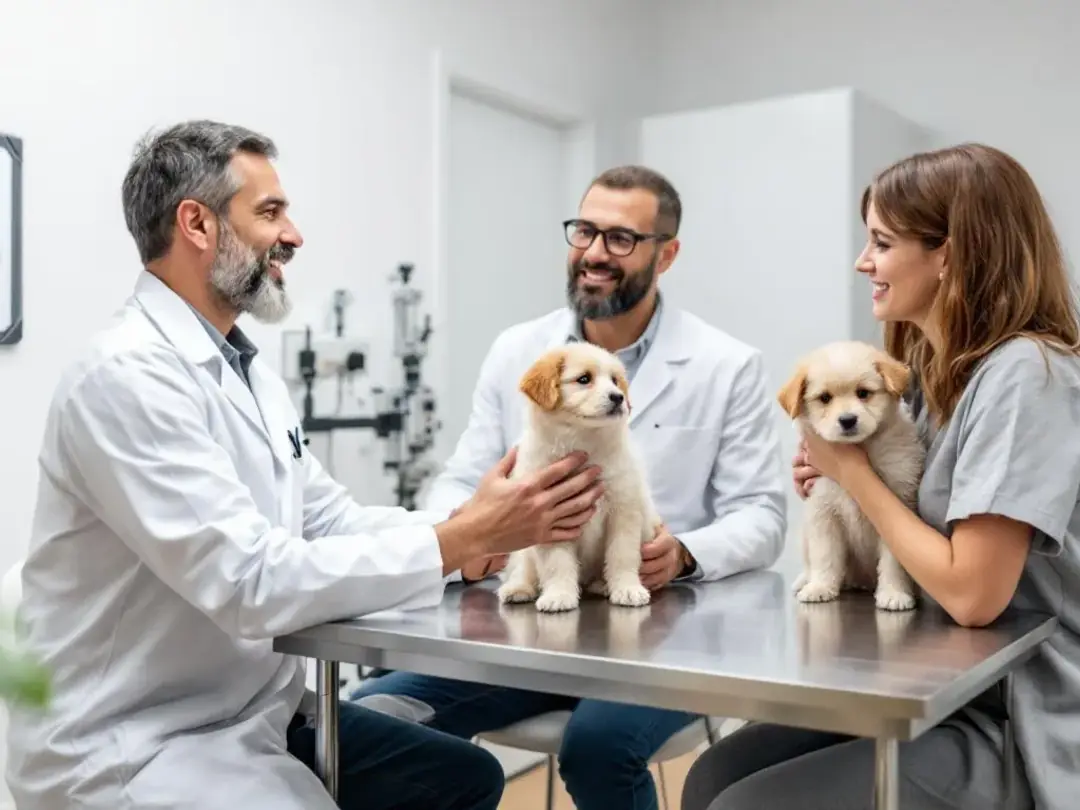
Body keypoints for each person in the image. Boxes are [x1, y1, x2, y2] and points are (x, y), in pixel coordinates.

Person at [3, 120, 608, 810]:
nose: (294, 234)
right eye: (270, 212)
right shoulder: (124, 377)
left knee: (461, 778)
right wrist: (460, 539)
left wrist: (473, 538)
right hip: (134, 743)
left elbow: (327, 519)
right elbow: (249, 582)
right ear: (197, 224)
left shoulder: (245, 371)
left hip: (244, 714)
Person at [352, 164, 788, 810]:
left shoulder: (727, 365)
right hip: (528, 632)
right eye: (584, 231)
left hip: (656, 640)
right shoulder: (517, 353)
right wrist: (474, 536)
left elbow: (763, 515)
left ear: (666, 254)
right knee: (368, 714)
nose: (593, 253)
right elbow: (464, 478)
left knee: (598, 750)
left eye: (620, 239)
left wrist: (685, 553)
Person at [681, 142, 1080, 810]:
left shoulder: (1026, 377)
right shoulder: (932, 373)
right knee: (711, 776)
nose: (862, 262)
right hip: (938, 679)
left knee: (743, 805)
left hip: (1019, 709)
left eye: (882, 242)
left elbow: (974, 595)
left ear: (950, 253)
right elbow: (910, 529)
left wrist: (854, 474)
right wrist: (841, 488)